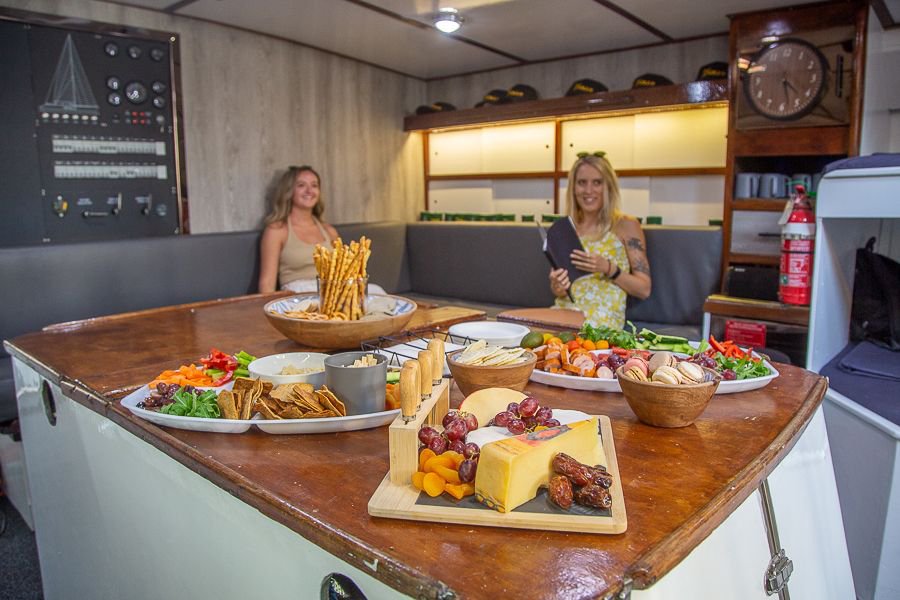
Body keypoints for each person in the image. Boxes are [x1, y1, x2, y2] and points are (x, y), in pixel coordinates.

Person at [549, 152, 652, 329]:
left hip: (601, 323)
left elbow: (644, 289)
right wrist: (557, 285)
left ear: (609, 187)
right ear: (574, 187)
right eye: (582, 183)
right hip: (563, 314)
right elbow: (557, 289)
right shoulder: (566, 229)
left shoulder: (626, 225)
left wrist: (608, 268)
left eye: (597, 182)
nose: (588, 191)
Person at [257, 165, 341, 293]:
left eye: (314, 185)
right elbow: (267, 284)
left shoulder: (330, 231)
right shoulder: (277, 231)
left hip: (332, 294)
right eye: (301, 185)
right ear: (289, 191)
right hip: (297, 297)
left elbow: (344, 273)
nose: (309, 191)